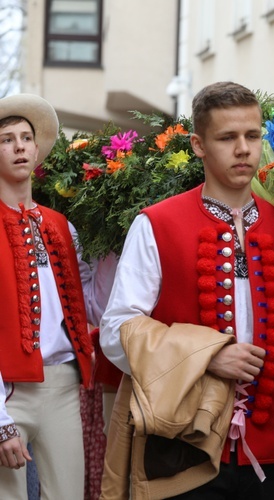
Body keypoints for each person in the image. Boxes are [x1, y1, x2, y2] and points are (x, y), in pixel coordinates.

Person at [99, 81, 274, 499]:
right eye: (227, 137)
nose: (243, 149)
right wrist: (206, 357)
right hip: (182, 445)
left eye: (253, 136)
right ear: (199, 145)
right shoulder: (157, 223)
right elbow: (116, 331)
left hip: (271, 443)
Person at [0, 94, 114, 498]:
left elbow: (90, 306)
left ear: (36, 148)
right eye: (6, 139)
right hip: (9, 389)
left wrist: (111, 244)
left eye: (26, 138)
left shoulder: (62, 225)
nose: (18, 147)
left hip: (64, 383)